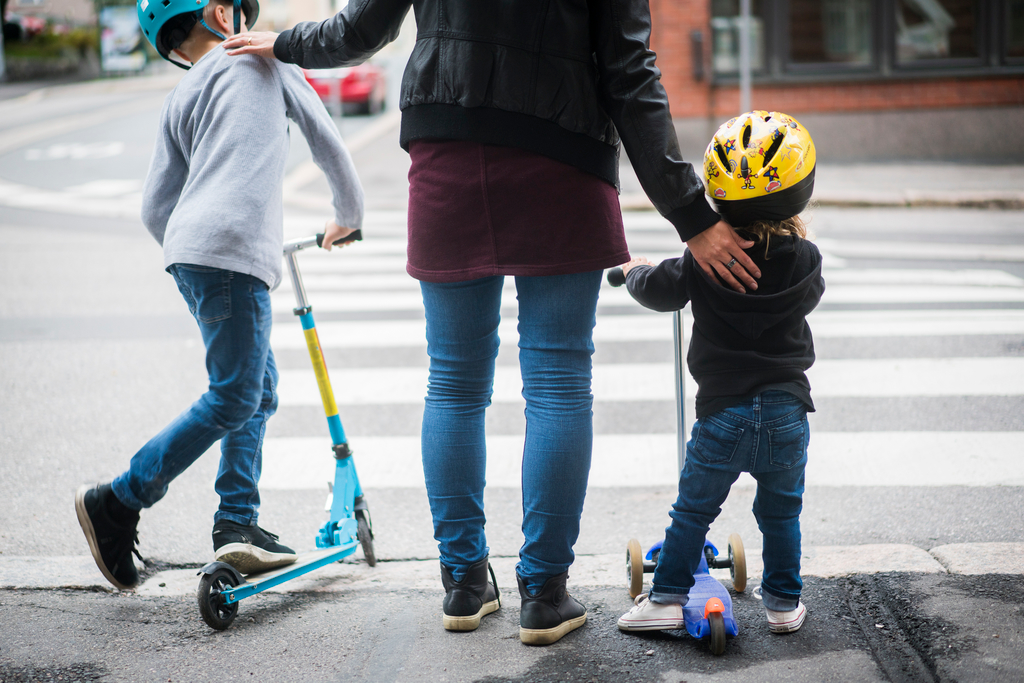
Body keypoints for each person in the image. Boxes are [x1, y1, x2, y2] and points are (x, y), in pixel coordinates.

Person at [222, 0, 761, 645]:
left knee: (452, 382)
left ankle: (464, 585)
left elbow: (362, 29)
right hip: (562, 156)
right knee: (559, 381)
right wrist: (691, 213)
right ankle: (545, 593)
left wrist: (281, 44)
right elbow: (629, 73)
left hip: (448, 149)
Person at [74, 0, 364, 591]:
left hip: (190, 254)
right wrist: (348, 214)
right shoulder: (267, 58)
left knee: (258, 390)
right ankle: (119, 499)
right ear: (219, 12)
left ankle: (237, 521)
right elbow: (324, 137)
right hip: (232, 252)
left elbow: (156, 205)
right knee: (235, 396)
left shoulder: (180, 96)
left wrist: (190, 250)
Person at [616, 111, 823, 636]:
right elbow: (811, 296)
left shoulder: (702, 260)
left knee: (693, 512)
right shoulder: (806, 261)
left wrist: (634, 269)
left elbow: (658, 290)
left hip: (723, 413)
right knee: (780, 513)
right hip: (787, 412)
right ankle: (781, 603)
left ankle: (665, 600)